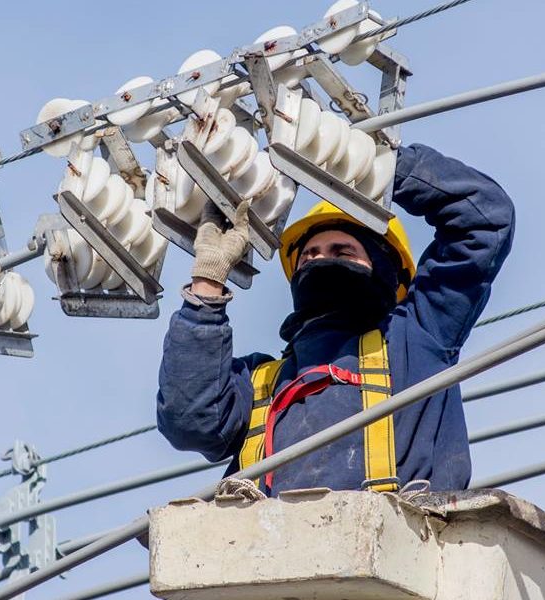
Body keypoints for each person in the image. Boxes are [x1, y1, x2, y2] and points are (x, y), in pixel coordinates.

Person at [157, 143, 515, 495]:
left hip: (398, 544)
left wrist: (365, 161)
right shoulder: (260, 382)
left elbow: (484, 220)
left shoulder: (416, 337)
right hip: (272, 549)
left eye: (342, 251)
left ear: (387, 271)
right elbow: (190, 422)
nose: (320, 260)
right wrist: (207, 280)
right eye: (309, 255)